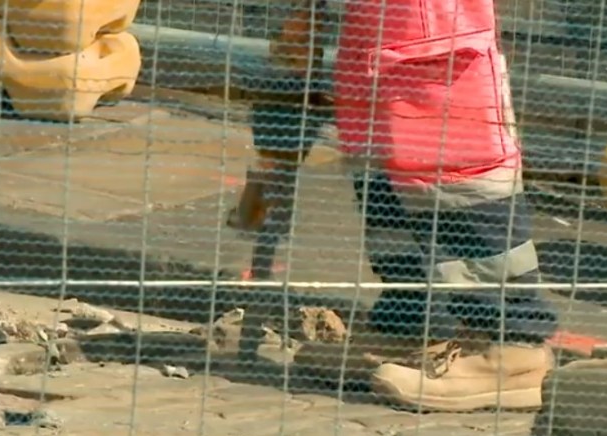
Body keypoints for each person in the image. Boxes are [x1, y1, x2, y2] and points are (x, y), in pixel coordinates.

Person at [238, 0, 560, 412]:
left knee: (455, 165)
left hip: (434, 22)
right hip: (371, 25)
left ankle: (512, 347)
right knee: (377, 163)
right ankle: (413, 327)